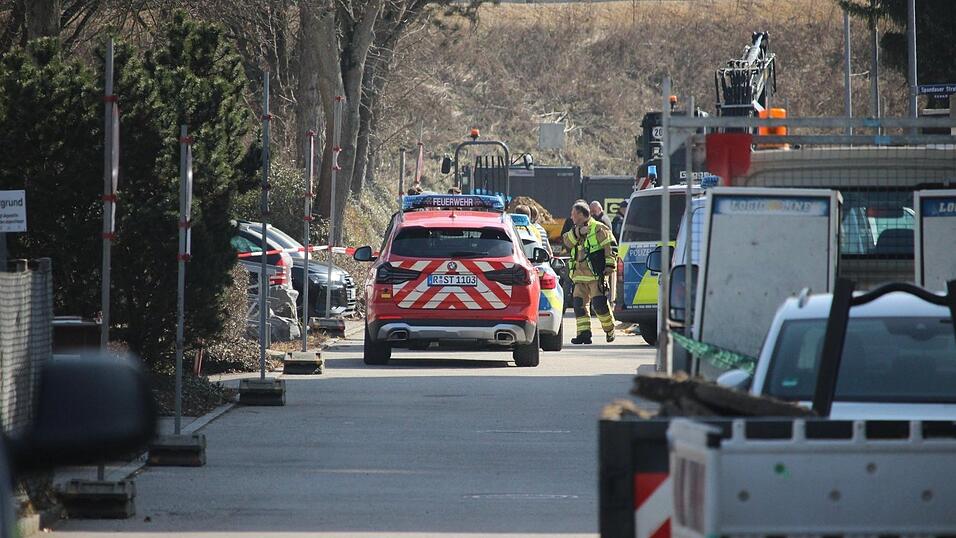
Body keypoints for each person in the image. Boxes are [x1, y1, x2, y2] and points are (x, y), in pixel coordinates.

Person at [563, 201, 617, 344]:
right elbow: (566, 242)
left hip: (595, 276)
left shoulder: (599, 228)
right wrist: (578, 232)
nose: (571, 217)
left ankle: (609, 329)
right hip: (579, 277)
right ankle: (584, 334)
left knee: (599, 305)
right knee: (579, 306)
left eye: (573, 214)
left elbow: (611, 247)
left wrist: (609, 267)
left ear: (581, 214)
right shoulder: (574, 230)